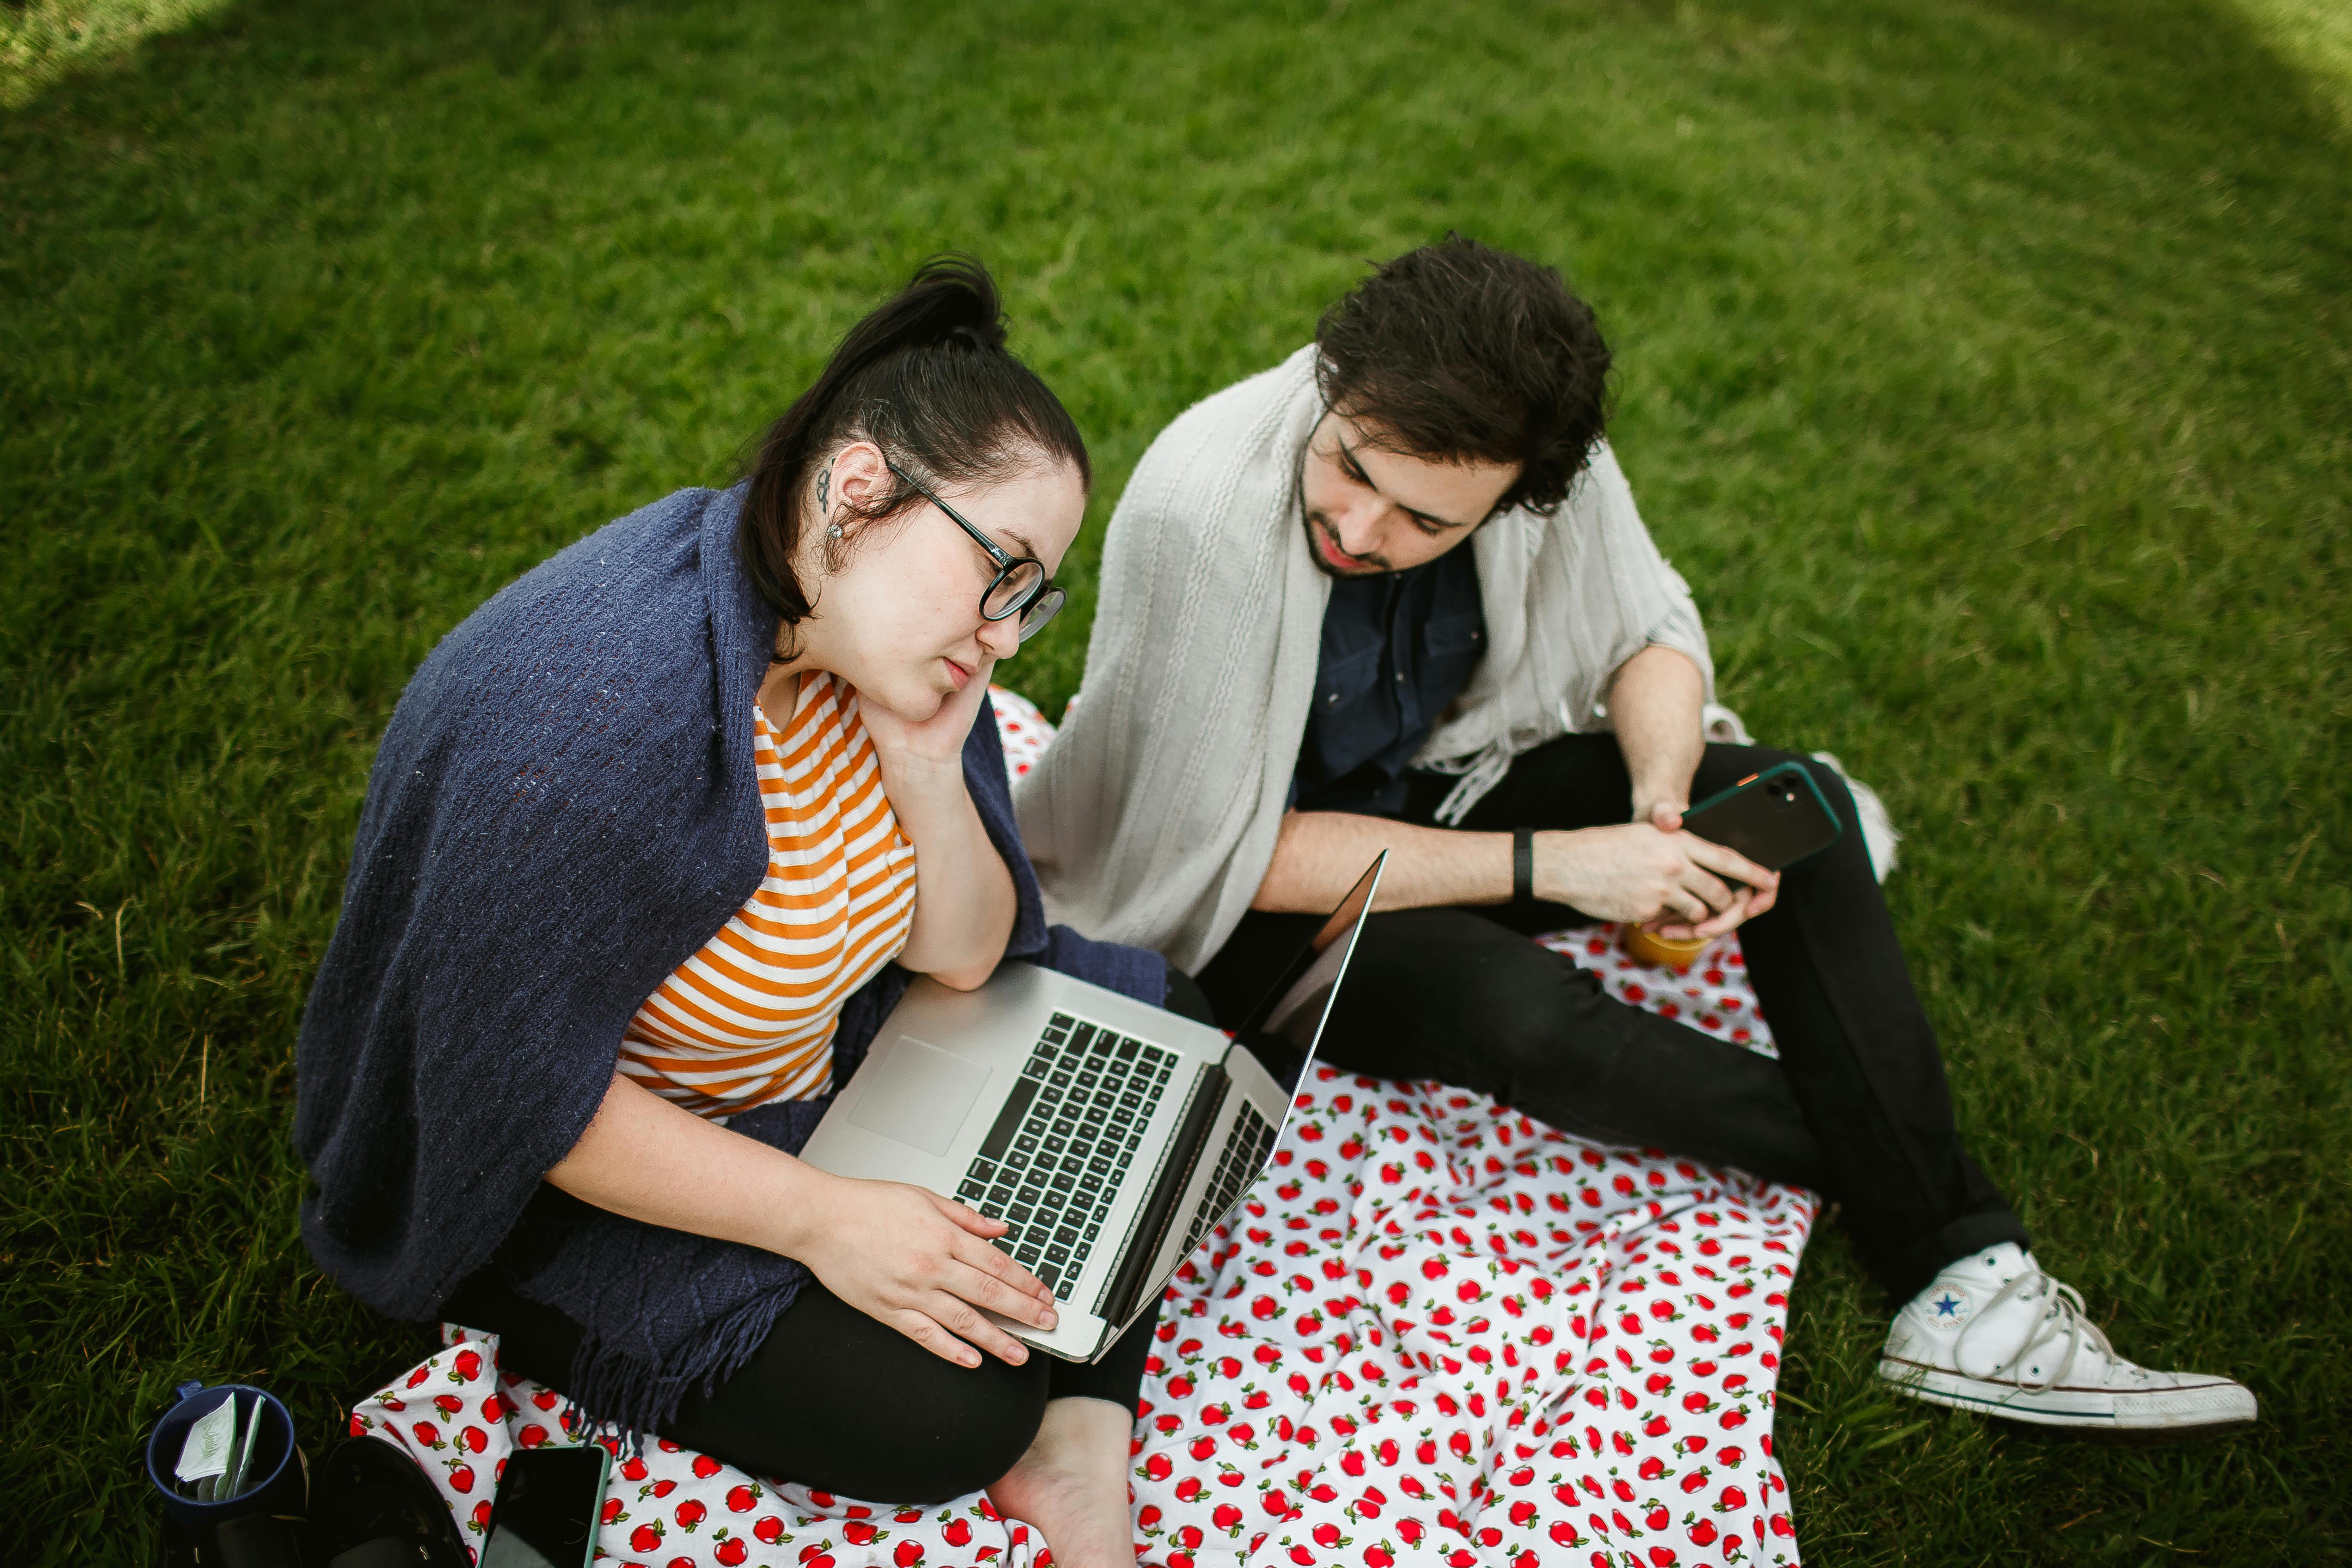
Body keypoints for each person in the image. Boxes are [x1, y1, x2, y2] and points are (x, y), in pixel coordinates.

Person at [1017, 236, 2255, 1440]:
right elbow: (1226, 855)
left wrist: (1664, 815)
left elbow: (1644, 631)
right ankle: (1930, 1197)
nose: (1361, 527)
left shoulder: (1543, 462)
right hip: (1265, 916)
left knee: (1789, 799)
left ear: (1512, 494)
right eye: (1351, 468)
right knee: (1524, 1018)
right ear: (1335, 384)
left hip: (1442, 789)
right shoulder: (1206, 513)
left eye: (1426, 522)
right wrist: (1571, 869)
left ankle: (1956, 1282)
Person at [297, 257, 1210, 1558]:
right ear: (858, 490)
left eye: (1032, 596)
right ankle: (1038, 1407)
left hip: (825, 1073)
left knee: (1170, 1020)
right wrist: (829, 1223)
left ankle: (1086, 1439)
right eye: (998, 574)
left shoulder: (864, 653)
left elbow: (965, 958)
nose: (1006, 640)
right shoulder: (591, 730)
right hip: (591, 1173)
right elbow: (512, 1098)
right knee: (954, 1415)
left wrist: (928, 774)